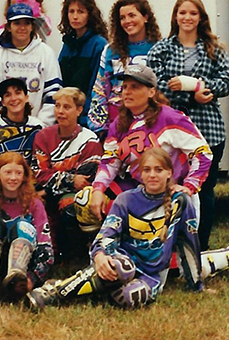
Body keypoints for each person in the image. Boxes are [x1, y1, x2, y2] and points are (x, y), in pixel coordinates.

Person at [26, 148, 202, 310]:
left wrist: (195, 284)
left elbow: (189, 243)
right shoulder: (126, 199)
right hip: (123, 260)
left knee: (128, 297)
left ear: (169, 172)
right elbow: (108, 233)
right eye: (147, 170)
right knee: (122, 268)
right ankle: (53, 292)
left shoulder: (181, 202)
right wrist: (100, 255)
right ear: (140, 174)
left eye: (159, 170)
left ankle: (97, 286)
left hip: (151, 274)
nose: (152, 175)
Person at [82, 65, 212, 228]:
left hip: (173, 196)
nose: (127, 92)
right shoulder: (119, 123)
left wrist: (189, 186)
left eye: (135, 87)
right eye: (124, 87)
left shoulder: (170, 117)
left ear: (151, 92)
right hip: (141, 195)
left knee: (171, 251)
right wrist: (98, 190)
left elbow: (203, 153)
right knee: (85, 199)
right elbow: (110, 161)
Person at [148, 0, 229, 250]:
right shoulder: (161, 48)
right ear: (175, 16)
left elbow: (226, 80)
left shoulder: (215, 48)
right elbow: (153, 82)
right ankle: (167, 246)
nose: (187, 18)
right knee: (167, 186)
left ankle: (200, 247)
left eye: (193, 13)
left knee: (204, 190)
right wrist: (185, 89)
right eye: (182, 12)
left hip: (208, 129)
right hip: (170, 130)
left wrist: (204, 89)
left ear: (201, 18)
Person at [33, 87, 102, 261]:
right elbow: (38, 173)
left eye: (67, 107)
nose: (60, 111)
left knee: (70, 205)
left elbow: (84, 180)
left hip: (73, 195)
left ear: (79, 110)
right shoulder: (43, 136)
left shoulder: (90, 140)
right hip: (46, 192)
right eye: (57, 106)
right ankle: (49, 255)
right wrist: (70, 178)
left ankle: (76, 253)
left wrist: (49, 188)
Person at [0, 152, 53, 302]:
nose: (13, 178)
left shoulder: (34, 204)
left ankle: (17, 279)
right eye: (8, 172)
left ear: (25, 176)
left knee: (22, 226)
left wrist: (32, 278)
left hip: (24, 265)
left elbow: (46, 246)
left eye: (18, 173)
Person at [88, 0, 161, 137]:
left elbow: (162, 89)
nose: (127, 21)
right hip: (117, 124)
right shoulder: (110, 50)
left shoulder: (160, 48)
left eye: (132, 15)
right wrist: (99, 128)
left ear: (145, 17)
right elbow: (100, 89)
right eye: (122, 18)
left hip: (151, 123)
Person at [0, 3, 62, 126]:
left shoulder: (46, 52)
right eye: (17, 23)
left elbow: (53, 93)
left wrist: (41, 125)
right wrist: (3, 124)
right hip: (4, 128)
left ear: (32, 26)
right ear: (9, 27)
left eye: (27, 23)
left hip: (39, 128)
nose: (22, 27)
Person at [57, 0, 108, 125]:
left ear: (89, 15)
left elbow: (96, 85)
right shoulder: (68, 44)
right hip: (66, 113)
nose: (75, 16)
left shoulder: (99, 44)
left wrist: (83, 115)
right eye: (71, 11)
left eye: (80, 12)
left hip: (85, 116)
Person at [0, 78, 44, 183]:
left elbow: (42, 164)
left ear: (26, 97)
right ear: (3, 102)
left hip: (29, 189)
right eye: (7, 95)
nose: (13, 98)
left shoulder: (38, 126)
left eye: (18, 93)